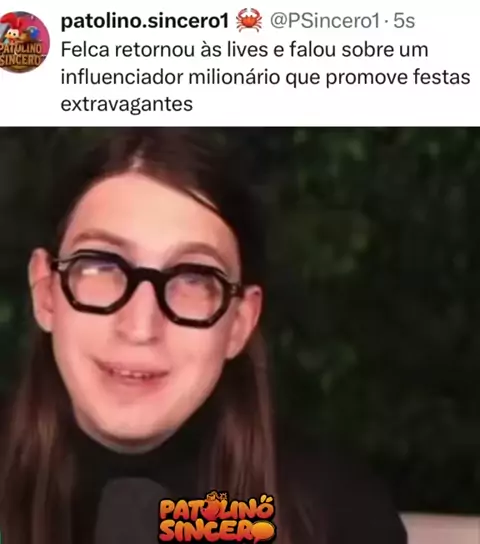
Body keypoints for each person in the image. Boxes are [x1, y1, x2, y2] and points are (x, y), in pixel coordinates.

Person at [0, 128, 407, 544]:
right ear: (45, 292)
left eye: (193, 279)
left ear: (239, 323)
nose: (140, 327)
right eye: (102, 266)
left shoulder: (338, 517)